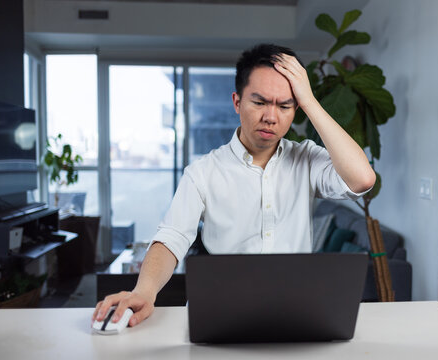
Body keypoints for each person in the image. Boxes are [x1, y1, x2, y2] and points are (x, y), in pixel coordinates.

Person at [92, 44, 376, 328]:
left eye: (285, 105)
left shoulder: (307, 159)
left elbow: (362, 179)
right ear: (237, 101)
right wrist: (144, 291)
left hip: (293, 312)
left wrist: (310, 101)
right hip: (221, 312)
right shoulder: (203, 172)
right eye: (260, 102)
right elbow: (172, 237)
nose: (271, 116)